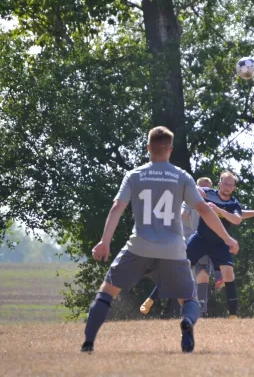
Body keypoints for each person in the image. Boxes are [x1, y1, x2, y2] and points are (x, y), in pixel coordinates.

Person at [80, 127, 238, 354]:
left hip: (139, 246)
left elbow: (117, 207)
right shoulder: (182, 176)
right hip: (173, 249)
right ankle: (187, 324)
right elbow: (204, 210)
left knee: (106, 292)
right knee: (189, 298)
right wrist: (227, 237)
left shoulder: (134, 175)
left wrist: (105, 241)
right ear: (170, 150)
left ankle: (88, 342)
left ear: (148, 148)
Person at [141, 171, 254, 318]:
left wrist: (220, 211)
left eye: (230, 185)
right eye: (225, 183)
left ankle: (233, 314)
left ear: (234, 188)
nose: (227, 187)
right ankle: (151, 298)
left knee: (228, 273)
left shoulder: (233, 204)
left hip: (220, 243)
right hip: (200, 239)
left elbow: (237, 219)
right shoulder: (207, 194)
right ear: (219, 184)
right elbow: (194, 190)